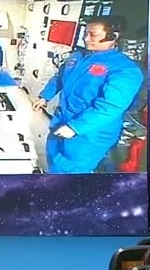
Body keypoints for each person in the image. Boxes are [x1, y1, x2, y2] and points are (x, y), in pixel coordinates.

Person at [32, 18, 143, 173]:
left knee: (70, 170)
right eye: (85, 33)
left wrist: (75, 127)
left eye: (93, 35)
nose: (86, 38)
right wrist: (45, 97)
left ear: (113, 37)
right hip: (62, 120)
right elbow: (60, 77)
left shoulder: (125, 69)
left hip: (90, 133)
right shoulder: (78, 56)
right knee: (53, 159)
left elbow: (110, 107)